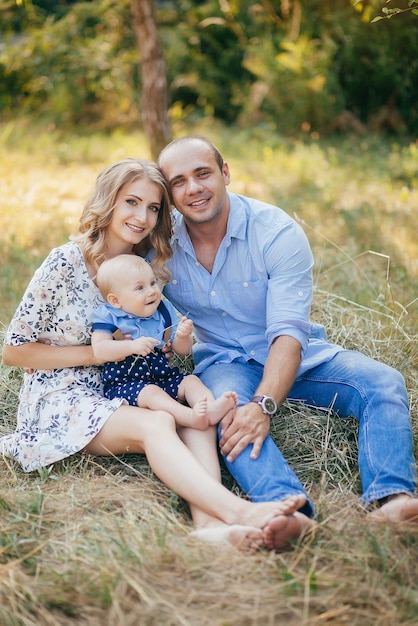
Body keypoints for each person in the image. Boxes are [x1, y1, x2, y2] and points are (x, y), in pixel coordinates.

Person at [0, 157, 311, 553]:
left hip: (125, 384)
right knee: (159, 422)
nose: (142, 216)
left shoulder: (144, 263)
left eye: (153, 208)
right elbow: (14, 351)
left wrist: (173, 340)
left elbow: (165, 326)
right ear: (108, 201)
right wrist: (104, 354)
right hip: (64, 397)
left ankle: (208, 526)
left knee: (197, 418)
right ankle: (241, 513)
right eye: (131, 202)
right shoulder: (64, 262)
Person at [157, 135, 418, 527]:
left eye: (203, 174)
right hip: (226, 362)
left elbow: (289, 333)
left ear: (225, 173)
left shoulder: (275, 231)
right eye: (178, 182)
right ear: (169, 194)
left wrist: (263, 405)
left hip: (299, 357)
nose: (193, 188)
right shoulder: (160, 246)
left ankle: (394, 496)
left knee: (382, 382)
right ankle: (287, 511)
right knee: (228, 417)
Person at [91, 253, 238, 430]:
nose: (152, 291)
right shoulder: (109, 316)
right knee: (153, 394)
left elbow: (182, 351)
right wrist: (130, 346)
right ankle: (189, 417)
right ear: (116, 300)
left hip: (162, 376)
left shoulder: (163, 311)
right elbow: (99, 349)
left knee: (190, 381)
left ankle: (211, 409)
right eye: (140, 288)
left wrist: (183, 337)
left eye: (152, 283)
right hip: (126, 383)